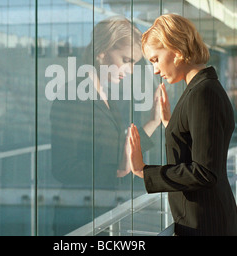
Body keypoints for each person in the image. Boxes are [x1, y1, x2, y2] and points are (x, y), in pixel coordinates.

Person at [127, 13, 237, 236]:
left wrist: (144, 171)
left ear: (176, 50)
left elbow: (204, 172)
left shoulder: (203, 93)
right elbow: (199, 146)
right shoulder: (200, 90)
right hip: (206, 221)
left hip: (206, 226)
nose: (156, 70)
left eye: (155, 59)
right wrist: (171, 124)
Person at [50, 16, 160, 235]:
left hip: (103, 213)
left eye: (133, 63)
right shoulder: (73, 96)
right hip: (80, 218)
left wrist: (153, 122)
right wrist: (116, 170)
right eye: (126, 59)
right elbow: (63, 167)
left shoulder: (106, 97)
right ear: (101, 51)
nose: (129, 70)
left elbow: (119, 151)